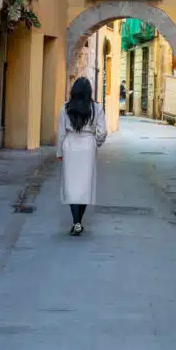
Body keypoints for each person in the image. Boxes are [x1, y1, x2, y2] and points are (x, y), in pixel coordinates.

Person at [56, 77, 107, 235]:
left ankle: (76, 221)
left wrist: (59, 152)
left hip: (70, 145)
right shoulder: (96, 108)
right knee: (85, 185)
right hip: (87, 146)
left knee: (71, 185)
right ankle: (79, 221)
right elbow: (102, 132)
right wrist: (96, 142)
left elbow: (61, 132)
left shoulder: (65, 107)